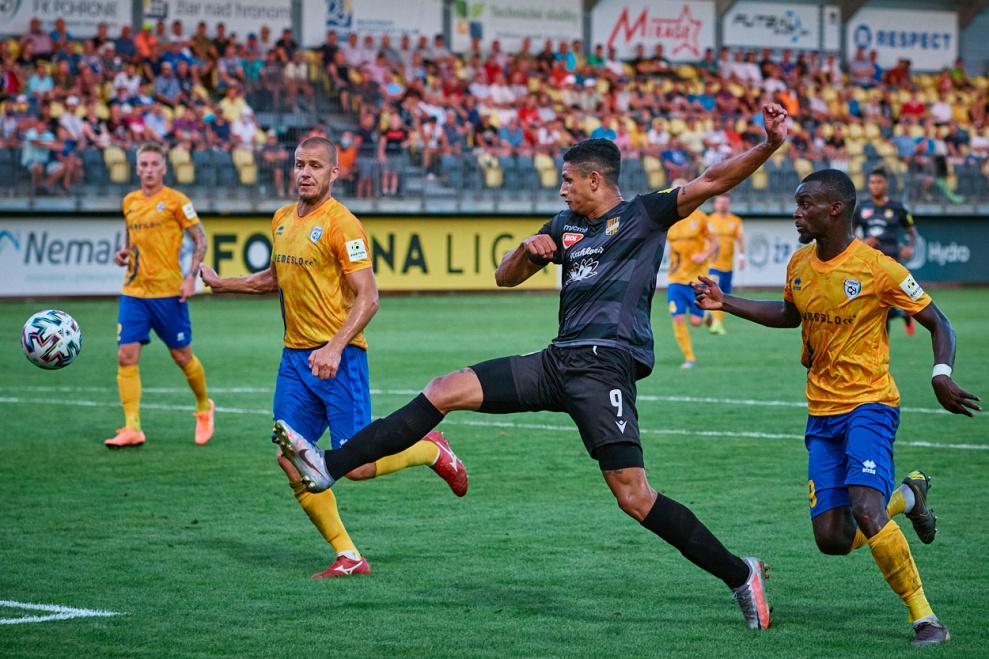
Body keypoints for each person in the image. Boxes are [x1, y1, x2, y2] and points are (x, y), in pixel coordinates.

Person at [273, 105, 791, 629]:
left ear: (595, 180)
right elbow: (505, 276)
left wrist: (769, 145)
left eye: (568, 181)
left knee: (634, 496)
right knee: (444, 388)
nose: (561, 190)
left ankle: (740, 573)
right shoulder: (564, 226)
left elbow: (712, 180)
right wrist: (529, 251)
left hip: (604, 368)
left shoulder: (645, 214)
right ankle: (329, 465)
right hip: (557, 360)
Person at [692, 169, 981, 646]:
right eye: (797, 203)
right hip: (821, 411)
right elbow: (789, 314)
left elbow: (938, 321)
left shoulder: (878, 268)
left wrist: (940, 374)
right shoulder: (799, 263)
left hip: (870, 404)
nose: (796, 213)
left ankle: (926, 618)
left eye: (805, 204)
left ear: (836, 209)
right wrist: (726, 303)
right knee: (832, 538)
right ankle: (908, 497)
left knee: (865, 508)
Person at [199, 137, 468, 579]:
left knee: (357, 467)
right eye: (299, 164)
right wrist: (222, 283)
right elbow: (274, 278)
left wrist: (335, 346)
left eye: (315, 166)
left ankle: (429, 449)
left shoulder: (344, 224)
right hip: (295, 362)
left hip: (339, 361)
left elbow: (369, 296)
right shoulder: (282, 219)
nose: (305, 173)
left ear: (333, 173)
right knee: (291, 458)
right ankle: (349, 555)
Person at [106, 142, 213, 448]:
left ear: (164, 168)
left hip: (169, 293)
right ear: (137, 168)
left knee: (182, 356)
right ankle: (132, 427)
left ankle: (204, 407)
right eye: (144, 164)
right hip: (134, 292)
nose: (149, 170)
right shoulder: (129, 201)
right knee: (126, 355)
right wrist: (124, 252)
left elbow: (200, 239)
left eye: (155, 164)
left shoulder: (177, 201)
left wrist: (191, 278)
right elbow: (130, 237)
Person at [854, 168, 919, 336]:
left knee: (898, 301)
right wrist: (862, 242)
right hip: (870, 264)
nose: (875, 185)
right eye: (872, 182)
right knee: (877, 306)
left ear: (886, 184)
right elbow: (849, 233)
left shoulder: (897, 208)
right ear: (868, 185)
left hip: (893, 263)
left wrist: (910, 248)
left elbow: (912, 231)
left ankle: (904, 314)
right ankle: (901, 316)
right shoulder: (861, 207)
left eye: (879, 182)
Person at [665, 191, 714, 368]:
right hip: (675, 278)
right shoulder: (668, 218)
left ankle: (706, 314)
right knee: (677, 317)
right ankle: (689, 358)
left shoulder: (700, 217)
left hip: (695, 278)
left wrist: (704, 255)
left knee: (695, 322)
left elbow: (714, 242)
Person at [705, 195, 745, 335]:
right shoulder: (708, 220)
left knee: (724, 294)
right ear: (715, 204)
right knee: (716, 289)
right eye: (720, 202)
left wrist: (741, 256)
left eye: (725, 203)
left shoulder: (735, 221)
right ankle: (716, 322)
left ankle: (716, 321)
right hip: (712, 264)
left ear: (728, 204)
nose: (722, 205)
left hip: (728, 265)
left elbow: (740, 240)